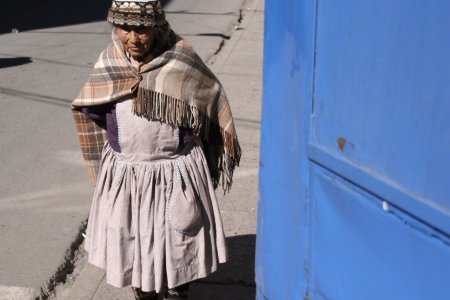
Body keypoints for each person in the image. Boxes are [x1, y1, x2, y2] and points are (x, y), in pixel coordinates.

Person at [71, 1, 241, 299]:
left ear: (157, 26)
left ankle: (177, 289)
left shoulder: (180, 59)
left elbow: (209, 99)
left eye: (142, 29)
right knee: (135, 242)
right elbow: (94, 107)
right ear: (114, 26)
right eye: (125, 28)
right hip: (128, 176)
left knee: (179, 241)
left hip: (175, 173)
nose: (133, 38)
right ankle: (144, 292)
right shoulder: (109, 63)